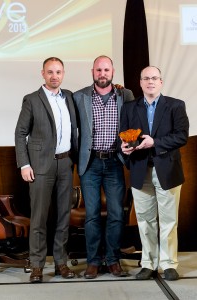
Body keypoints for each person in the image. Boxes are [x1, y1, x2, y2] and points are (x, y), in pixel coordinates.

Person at [120, 66, 189, 281]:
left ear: (161, 82)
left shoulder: (176, 106)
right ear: (140, 83)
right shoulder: (130, 107)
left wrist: (155, 142)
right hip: (140, 170)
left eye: (154, 78)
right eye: (146, 78)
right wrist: (124, 149)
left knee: (168, 220)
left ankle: (169, 264)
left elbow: (181, 136)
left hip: (167, 170)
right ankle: (148, 263)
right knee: (145, 220)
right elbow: (122, 137)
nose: (150, 81)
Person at [15, 57, 78, 283]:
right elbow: (20, 133)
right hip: (40, 165)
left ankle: (61, 263)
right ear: (42, 73)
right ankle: (37, 266)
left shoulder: (70, 97)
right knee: (39, 218)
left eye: (58, 72)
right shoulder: (32, 100)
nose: (54, 76)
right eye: (50, 72)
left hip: (65, 163)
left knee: (63, 216)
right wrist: (24, 164)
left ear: (63, 73)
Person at [73, 55, 134, 279]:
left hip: (115, 162)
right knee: (92, 215)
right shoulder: (80, 96)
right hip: (90, 163)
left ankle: (113, 259)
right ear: (92, 72)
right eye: (98, 70)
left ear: (113, 72)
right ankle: (93, 261)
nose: (102, 74)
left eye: (106, 70)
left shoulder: (125, 95)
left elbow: (133, 124)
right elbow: (73, 131)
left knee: (117, 213)